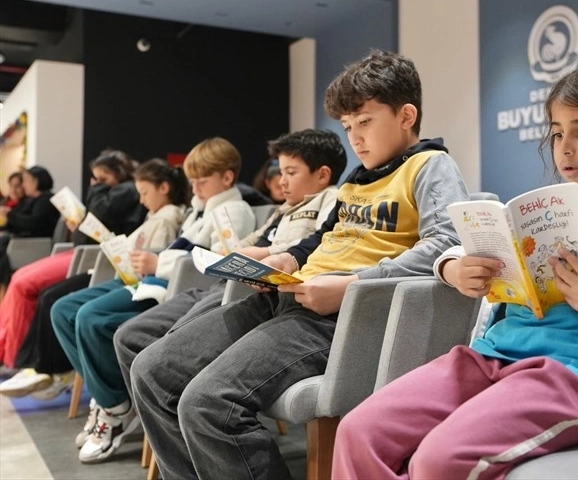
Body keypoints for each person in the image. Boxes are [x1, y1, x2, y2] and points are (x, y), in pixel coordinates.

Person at [331, 59, 578, 480]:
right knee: (358, 432)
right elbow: (454, 249)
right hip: (491, 358)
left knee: (439, 460)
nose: (564, 147)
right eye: (557, 133)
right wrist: (454, 268)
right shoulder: (539, 212)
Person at [129, 49, 469, 480]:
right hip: (288, 297)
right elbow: (321, 239)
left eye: (365, 122)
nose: (356, 138)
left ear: (406, 115)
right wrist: (284, 259)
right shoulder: (357, 180)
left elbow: (447, 242)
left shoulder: (431, 165)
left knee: (209, 404)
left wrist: (354, 283)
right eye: (348, 127)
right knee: (151, 372)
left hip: (342, 317)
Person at [51, 137, 254, 464]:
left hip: (173, 286)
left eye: (201, 181)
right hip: (155, 278)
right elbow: (183, 249)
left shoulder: (232, 211)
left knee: (92, 319)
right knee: (63, 309)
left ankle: (115, 406)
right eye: (192, 181)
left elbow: (217, 263)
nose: (195, 188)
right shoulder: (201, 210)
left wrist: (158, 263)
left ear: (227, 177)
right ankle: (108, 395)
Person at [114, 128, 347, 401]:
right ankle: (152, 404)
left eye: (290, 173)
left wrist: (265, 252)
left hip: (253, 290)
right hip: (228, 283)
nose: (281, 181)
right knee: (158, 340)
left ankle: (156, 401)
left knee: (172, 348)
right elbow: (251, 240)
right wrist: (233, 254)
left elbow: (316, 245)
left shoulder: (330, 199)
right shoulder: (283, 210)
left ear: (322, 175)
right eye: (281, 171)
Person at [0, 158, 190, 400]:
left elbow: (154, 256)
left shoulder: (158, 215)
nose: (141, 199)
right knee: (54, 303)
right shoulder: (155, 215)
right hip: (114, 267)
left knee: (76, 310)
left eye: (101, 179)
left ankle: (104, 395)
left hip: (129, 276)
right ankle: (34, 362)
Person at [0, 151, 143, 376]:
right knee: (20, 281)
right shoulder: (112, 193)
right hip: (84, 251)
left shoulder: (125, 192)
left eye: (102, 179)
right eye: (95, 179)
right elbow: (95, 223)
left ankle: (16, 356)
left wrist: (92, 198)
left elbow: (100, 216)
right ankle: (9, 350)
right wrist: (79, 223)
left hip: (95, 255)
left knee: (26, 286)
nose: (96, 184)